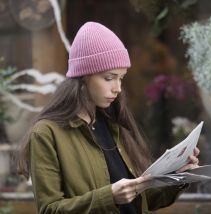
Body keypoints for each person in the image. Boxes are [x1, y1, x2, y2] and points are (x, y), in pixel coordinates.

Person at [18, 22, 200, 214]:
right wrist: (109, 197)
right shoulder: (46, 134)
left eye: (121, 78)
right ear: (83, 76)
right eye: (109, 78)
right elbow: (49, 210)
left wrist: (179, 176)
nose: (117, 88)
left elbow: (143, 201)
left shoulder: (114, 124)